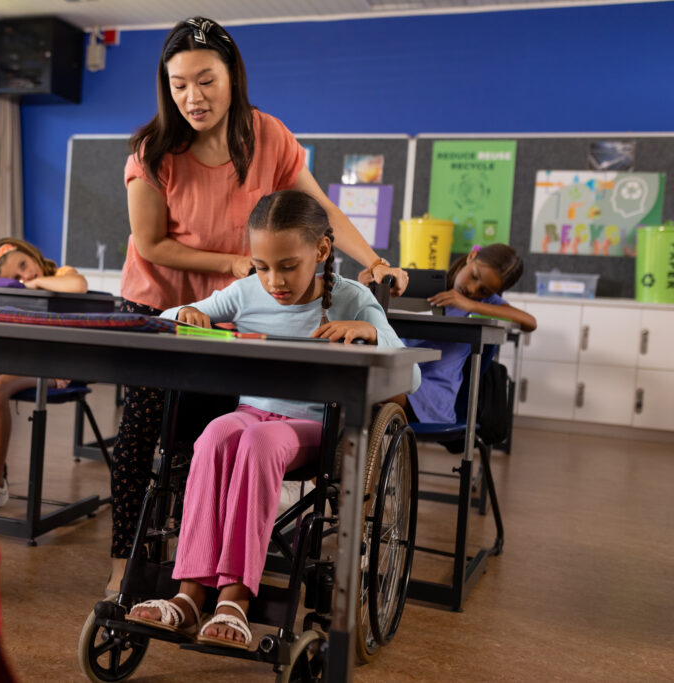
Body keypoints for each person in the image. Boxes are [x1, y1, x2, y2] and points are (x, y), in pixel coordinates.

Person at [107, 16, 410, 595]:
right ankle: (124, 564)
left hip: (241, 314)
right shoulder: (155, 150)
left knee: (221, 438)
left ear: (232, 78)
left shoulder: (267, 137)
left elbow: (322, 211)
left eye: (205, 80)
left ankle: (220, 570)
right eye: (178, 85)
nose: (192, 97)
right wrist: (229, 266)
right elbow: (150, 243)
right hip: (171, 307)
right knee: (143, 439)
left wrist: (373, 263)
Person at [125, 190, 419, 647]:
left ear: (321, 251)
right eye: (262, 267)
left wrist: (371, 332)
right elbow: (168, 319)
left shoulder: (352, 299)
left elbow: (411, 373)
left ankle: (235, 599)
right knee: (215, 434)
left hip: (313, 426)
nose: (273, 281)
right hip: (251, 416)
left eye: (287, 266)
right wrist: (189, 312)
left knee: (257, 444)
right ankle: (187, 595)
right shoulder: (247, 291)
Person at [0, 238, 89, 515]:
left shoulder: (60, 274)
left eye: (23, 265)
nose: (25, 275)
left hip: (56, 365)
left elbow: (79, 286)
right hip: (19, 358)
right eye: (17, 277)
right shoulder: (17, 286)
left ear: (30, 253)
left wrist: (35, 283)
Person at [403, 243, 537, 425]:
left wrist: (471, 305)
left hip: (430, 394)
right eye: (474, 276)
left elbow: (530, 322)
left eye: (484, 291)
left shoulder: (484, 302)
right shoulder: (430, 284)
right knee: (363, 386)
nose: (473, 290)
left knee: (370, 393)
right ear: (472, 256)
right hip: (398, 374)